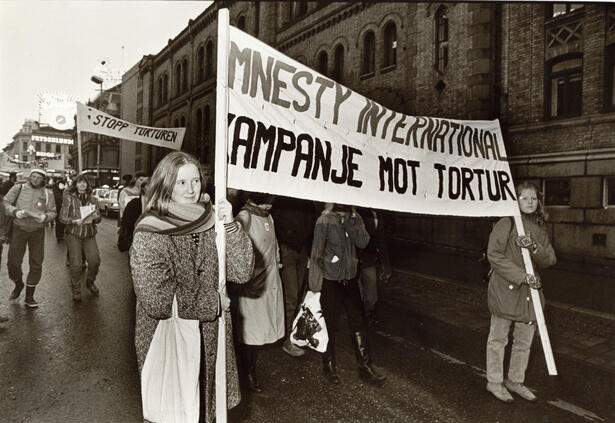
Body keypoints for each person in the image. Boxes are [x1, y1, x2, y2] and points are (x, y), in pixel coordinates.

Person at [130, 151, 254, 422]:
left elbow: (242, 272)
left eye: (195, 181)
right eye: (181, 183)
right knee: (175, 409)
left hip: (210, 336)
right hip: (168, 335)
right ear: (166, 184)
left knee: (205, 409)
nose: (191, 190)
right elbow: (155, 298)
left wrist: (230, 226)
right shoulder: (150, 229)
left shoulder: (212, 221)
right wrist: (214, 302)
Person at [485, 181, 557, 403]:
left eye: (533, 198)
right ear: (515, 200)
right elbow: (494, 255)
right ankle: (494, 382)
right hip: (507, 289)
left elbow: (550, 259)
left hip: (530, 294)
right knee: (498, 339)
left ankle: (515, 380)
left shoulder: (539, 226)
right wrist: (522, 276)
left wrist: (533, 247)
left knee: (524, 340)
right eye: (524, 198)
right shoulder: (506, 223)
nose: (529, 202)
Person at [309, 202, 386, 386]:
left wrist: (350, 220)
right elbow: (316, 253)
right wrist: (315, 285)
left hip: (350, 279)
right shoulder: (324, 220)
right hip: (330, 281)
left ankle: (365, 368)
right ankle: (328, 366)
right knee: (328, 323)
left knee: (358, 322)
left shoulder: (355, 218)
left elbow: (363, 242)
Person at [234, 192, 285, 393]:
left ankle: (248, 369)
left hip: (270, 280)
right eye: (269, 198)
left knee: (261, 328)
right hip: (252, 284)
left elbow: (274, 245)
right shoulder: (245, 216)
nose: (271, 202)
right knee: (249, 332)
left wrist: (278, 262)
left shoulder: (268, 216)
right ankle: (246, 373)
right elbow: (234, 246)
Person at [3, 168, 56, 308]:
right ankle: (18, 283)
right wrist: (15, 212)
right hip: (19, 228)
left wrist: (46, 217)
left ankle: (29, 296)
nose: (35, 179)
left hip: (37, 231)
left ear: (43, 180)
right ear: (29, 176)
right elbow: (6, 202)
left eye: (39, 177)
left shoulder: (48, 193)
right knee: (13, 262)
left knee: (36, 262)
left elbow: (52, 211)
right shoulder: (18, 188)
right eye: (33, 176)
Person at [270, 196, 315, 357]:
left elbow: (311, 224)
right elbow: (277, 223)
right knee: (291, 297)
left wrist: (308, 251)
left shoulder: (307, 200)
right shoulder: (283, 198)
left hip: (300, 250)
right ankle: (287, 340)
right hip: (288, 249)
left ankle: (291, 334)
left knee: (296, 297)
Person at [59, 175, 102, 302]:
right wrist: (73, 221)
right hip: (74, 234)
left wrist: (96, 217)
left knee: (94, 261)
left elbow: (98, 219)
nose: (83, 185)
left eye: (85, 183)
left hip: (89, 234)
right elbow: (62, 218)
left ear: (88, 185)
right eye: (80, 182)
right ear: (76, 184)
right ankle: (76, 289)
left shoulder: (93, 199)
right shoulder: (69, 198)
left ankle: (90, 281)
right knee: (76, 264)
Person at [356, 207, 392, 327]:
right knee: (357, 294)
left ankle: (366, 315)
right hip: (353, 260)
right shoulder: (353, 213)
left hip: (369, 261)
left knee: (371, 296)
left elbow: (381, 242)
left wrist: (386, 266)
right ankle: (360, 320)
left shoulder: (378, 217)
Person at [117, 180, 148, 252]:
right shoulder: (133, 203)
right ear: (143, 188)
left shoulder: (157, 203)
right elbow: (126, 220)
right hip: (134, 236)